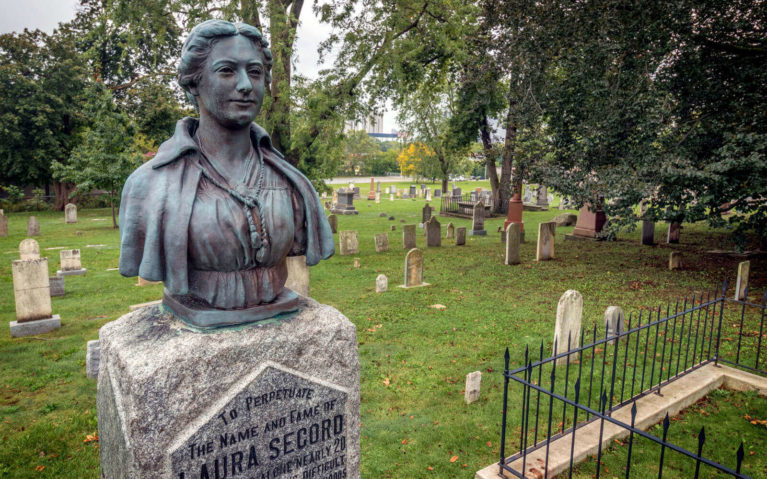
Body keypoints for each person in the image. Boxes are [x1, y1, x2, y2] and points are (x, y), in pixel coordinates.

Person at [118, 20, 333, 327]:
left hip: (278, 302)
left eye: (255, 72)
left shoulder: (290, 181)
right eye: (227, 70)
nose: (245, 85)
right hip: (197, 310)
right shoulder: (149, 185)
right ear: (194, 83)